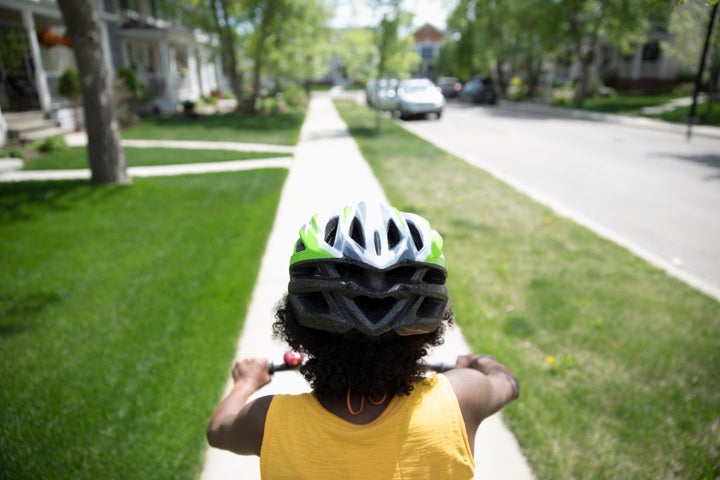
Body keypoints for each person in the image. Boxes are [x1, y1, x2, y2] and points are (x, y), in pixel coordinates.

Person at [207, 201, 519, 479]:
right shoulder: (464, 396)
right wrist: (478, 364)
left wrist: (245, 383)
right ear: (428, 325)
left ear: (299, 327)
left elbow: (218, 430)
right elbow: (508, 383)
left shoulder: (268, 421)